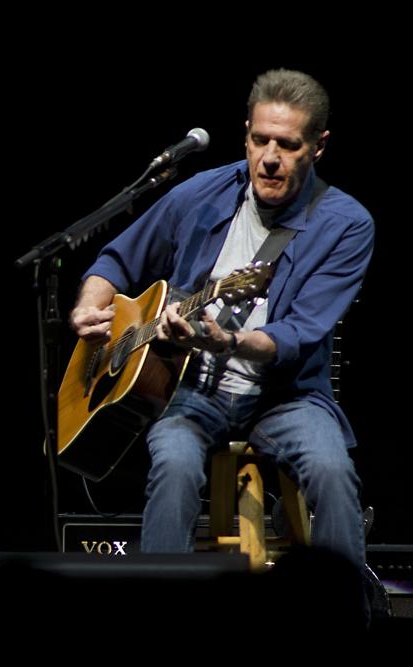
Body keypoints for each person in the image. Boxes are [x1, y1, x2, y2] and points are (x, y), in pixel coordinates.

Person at [70, 69, 373, 569]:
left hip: (286, 395)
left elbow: (296, 337)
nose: (270, 158)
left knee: (332, 471)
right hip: (190, 392)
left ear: (318, 147)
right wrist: (88, 305)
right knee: (172, 464)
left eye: (288, 145)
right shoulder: (203, 191)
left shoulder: (346, 225)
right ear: (246, 134)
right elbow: (117, 261)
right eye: (260, 140)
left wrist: (222, 341)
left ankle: (348, 614)